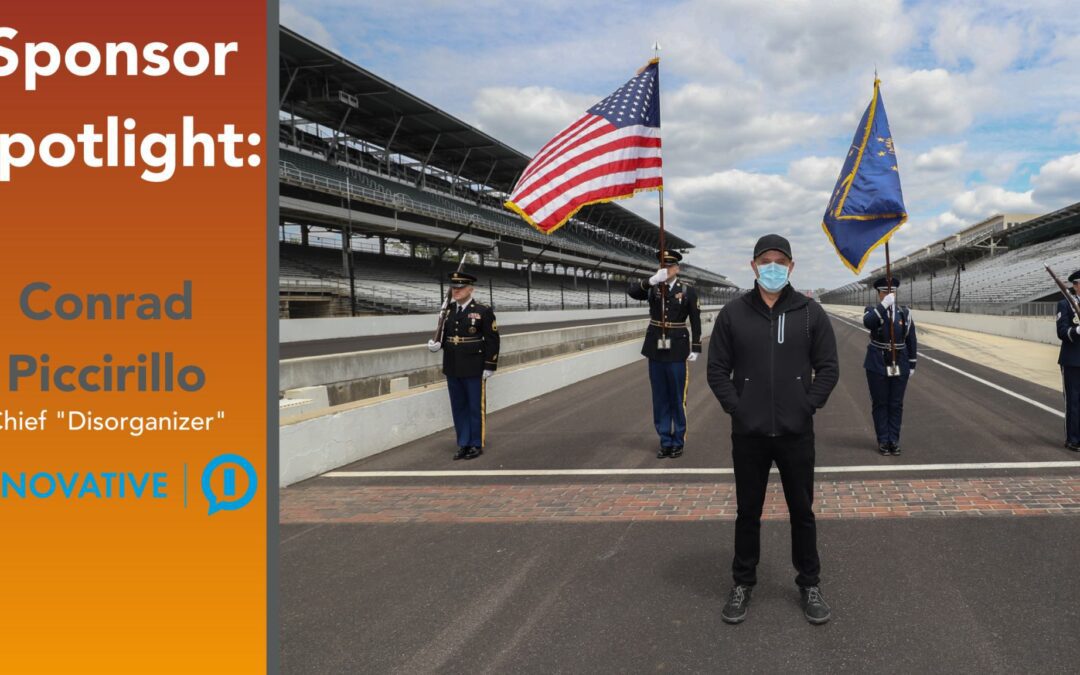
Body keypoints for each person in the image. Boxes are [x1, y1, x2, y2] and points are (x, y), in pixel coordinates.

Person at [706, 234, 839, 625]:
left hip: (796, 433)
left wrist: (807, 404)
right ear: (753, 265)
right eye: (766, 260)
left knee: (803, 512)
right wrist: (738, 407)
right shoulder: (733, 314)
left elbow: (828, 368)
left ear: (792, 266)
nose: (773, 267)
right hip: (749, 434)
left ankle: (809, 583)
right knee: (748, 512)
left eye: (781, 260)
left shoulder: (810, 313)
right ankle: (743, 583)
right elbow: (717, 369)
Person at [628, 249, 702, 458]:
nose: (666, 269)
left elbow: (695, 321)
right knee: (660, 398)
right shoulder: (653, 288)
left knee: (677, 398)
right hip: (656, 349)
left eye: (670, 266)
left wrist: (696, 347)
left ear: (677, 268)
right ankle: (665, 440)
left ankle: (678, 440)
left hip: (677, 349)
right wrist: (651, 280)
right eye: (663, 266)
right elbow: (632, 292)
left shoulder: (687, 290)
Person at [427, 271, 499, 460]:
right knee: (458, 407)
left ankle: (476, 443)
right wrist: (437, 344)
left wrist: (490, 365)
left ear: (470, 289)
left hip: (475, 365)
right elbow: (445, 334)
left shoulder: (483, 310)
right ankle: (463, 443)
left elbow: (492, 339)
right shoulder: (448, 310)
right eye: (454, 287)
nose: (456, 290)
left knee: (475, 407)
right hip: (452, 365)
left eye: (460, 287)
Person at [862, 275, 918, 455]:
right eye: (885, 292)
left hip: (900, 361)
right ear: (878, 294)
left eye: (892, 291)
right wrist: (883, 306)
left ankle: (894, 439)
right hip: (877, 361)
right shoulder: (872, 310)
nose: (889, 294)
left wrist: (911, 364)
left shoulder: (905, 313)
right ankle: (883, 440)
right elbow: (868, 323)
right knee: (880, 403)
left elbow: (911, 339)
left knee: (896, 403)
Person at [1056, 270, 1080, 452]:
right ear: (1076, 285)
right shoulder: (1064, 305)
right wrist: (1077, 331)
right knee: (1073, 400)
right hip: (1072, 359)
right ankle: (1073, 439)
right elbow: (1062, 331)